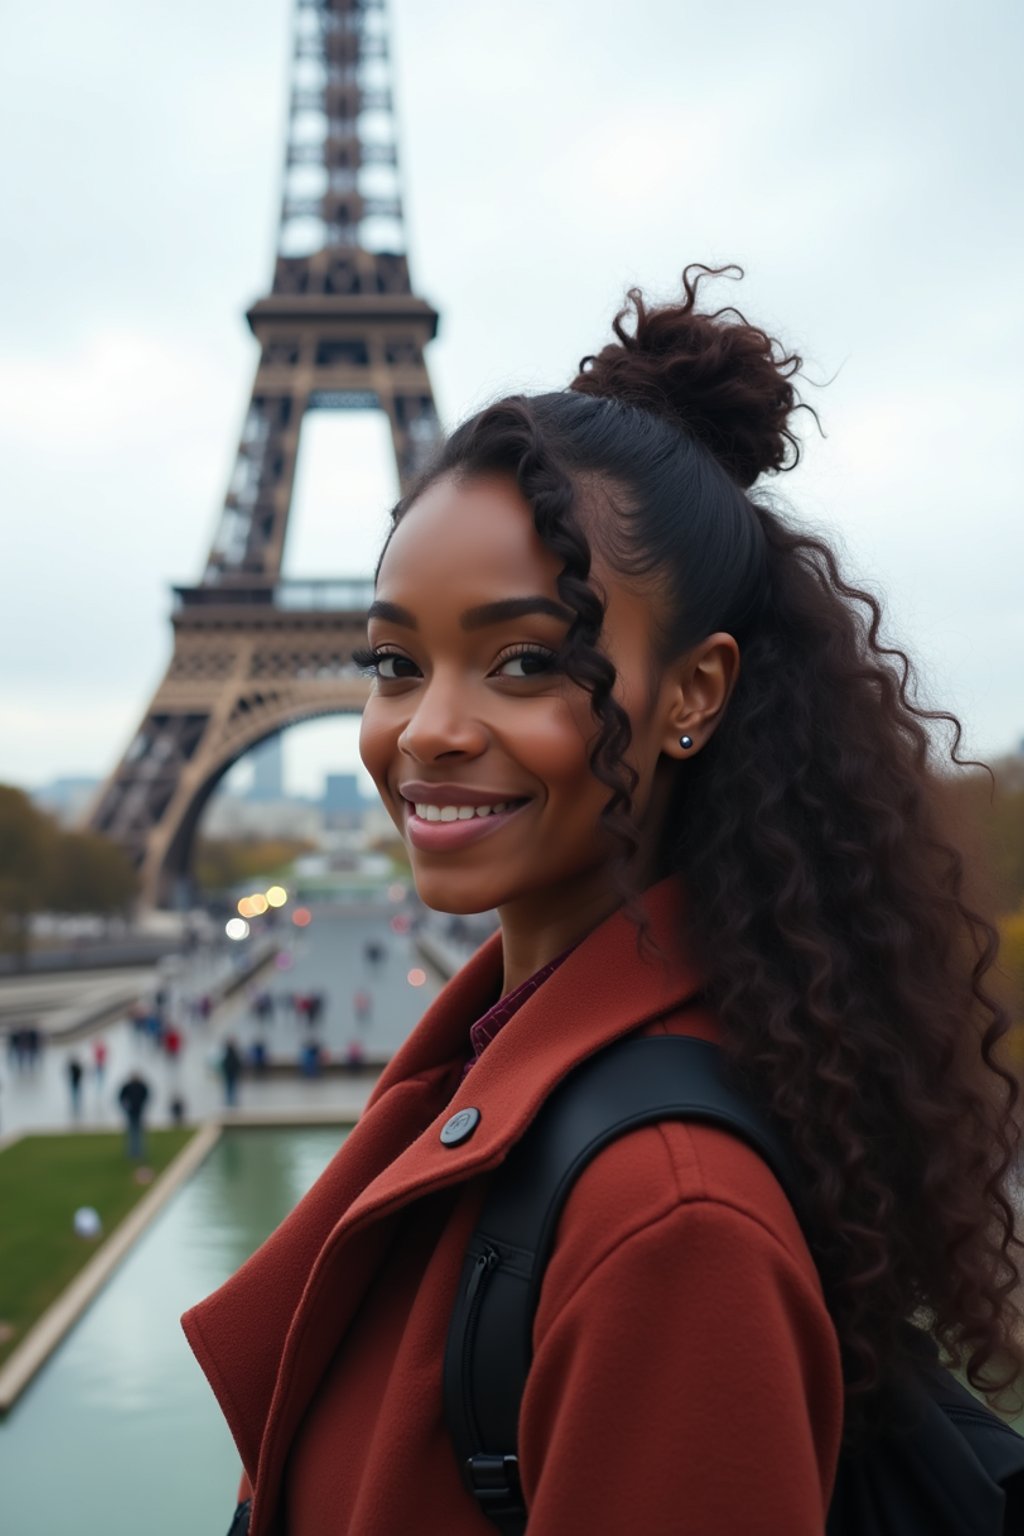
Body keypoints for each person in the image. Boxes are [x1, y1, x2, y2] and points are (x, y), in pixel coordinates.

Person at [182, 268, 1024, 1534]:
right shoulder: (549, 1098)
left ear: (693, 693)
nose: (430, 730)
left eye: (527, 660)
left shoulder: (665, 1221)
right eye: (395, 662)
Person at [117, 1070, 150, 1161]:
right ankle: (132, 1153)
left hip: (139, 1112)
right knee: (132, 1133)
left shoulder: (141, 1086)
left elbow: (146, 1096)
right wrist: (125, 1106)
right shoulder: (128, 1087)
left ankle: (140, 1152)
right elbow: (121, 1097)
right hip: (130, 1112)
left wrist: (142, 1105)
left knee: (139, 1133)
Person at [220, 1037, 243, 1107]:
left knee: (230, 1086)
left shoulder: (228, 1052)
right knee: (231, 1086)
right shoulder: (231, 1052)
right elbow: (237, 1062)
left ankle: (230, 1099)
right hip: (231, 1072)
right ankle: (230, 1099)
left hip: (231, 1072)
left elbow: (226, 1063)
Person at [65, 1055, 83, 1120]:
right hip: (75, 1083)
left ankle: (76, 1106)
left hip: (75, 1083)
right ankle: (76, 1106)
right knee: (76, 1095)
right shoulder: (75, 1066)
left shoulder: (74, 1066)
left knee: (75, 1095)